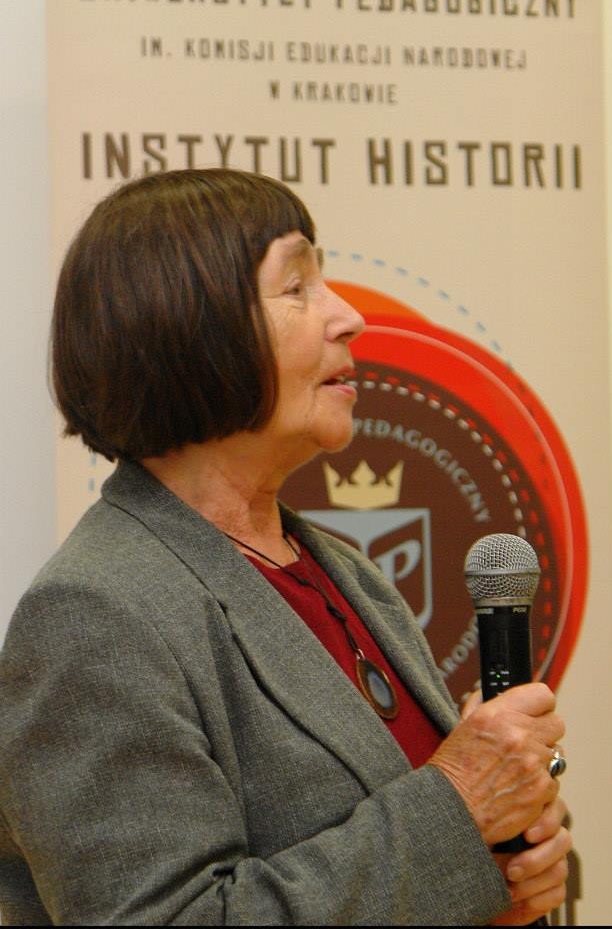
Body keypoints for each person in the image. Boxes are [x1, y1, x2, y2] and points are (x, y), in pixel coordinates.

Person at [0, 168, 571, 926]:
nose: (349, 317)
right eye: (297, 286)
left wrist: (490, 882)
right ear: (187, 329)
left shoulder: (344, 572)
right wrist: (461, 803)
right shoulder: (94, 614)